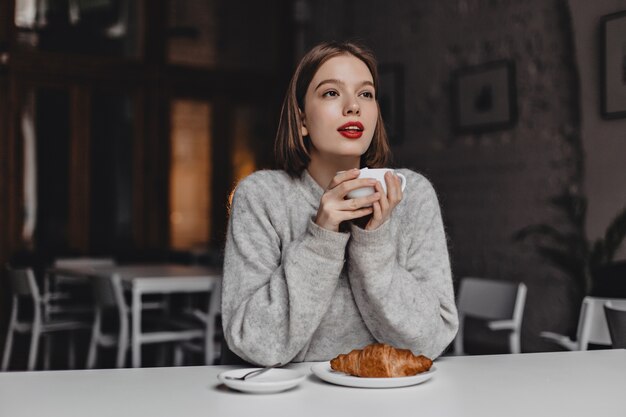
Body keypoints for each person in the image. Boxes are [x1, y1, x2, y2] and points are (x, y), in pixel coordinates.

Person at [221, 41, 458, 366]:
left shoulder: (412, 195)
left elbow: (431, 341)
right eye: (331, 93)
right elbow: (252, 342)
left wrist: (373, 245)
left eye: (366, 94)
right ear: (302, 119)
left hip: (392, 399)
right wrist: (321, 238)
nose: (353, 107)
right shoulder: (261, 197)